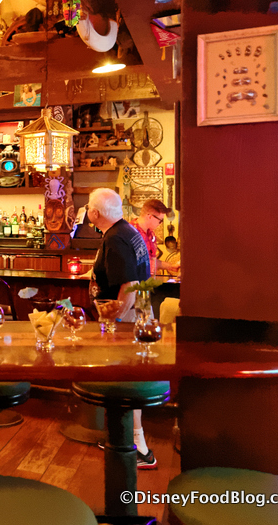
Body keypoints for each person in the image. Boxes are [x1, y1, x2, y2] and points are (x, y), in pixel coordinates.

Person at [87, 188, 157, 469]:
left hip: (128, 316)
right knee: (127, 379)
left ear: (95, 213)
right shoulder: (126, 230)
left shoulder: (115, 239)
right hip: (139, 311)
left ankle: (139, 448)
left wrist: (113, 319)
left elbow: (129, 285)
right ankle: (126, 438)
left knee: (127, 381)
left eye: (88, 208)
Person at [129, 199, 177, 276]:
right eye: (160, 220)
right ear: (150, 217)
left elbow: (151, 261)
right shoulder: (130, 234)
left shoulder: (150, 234)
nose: (160, 223)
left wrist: (172, 266)